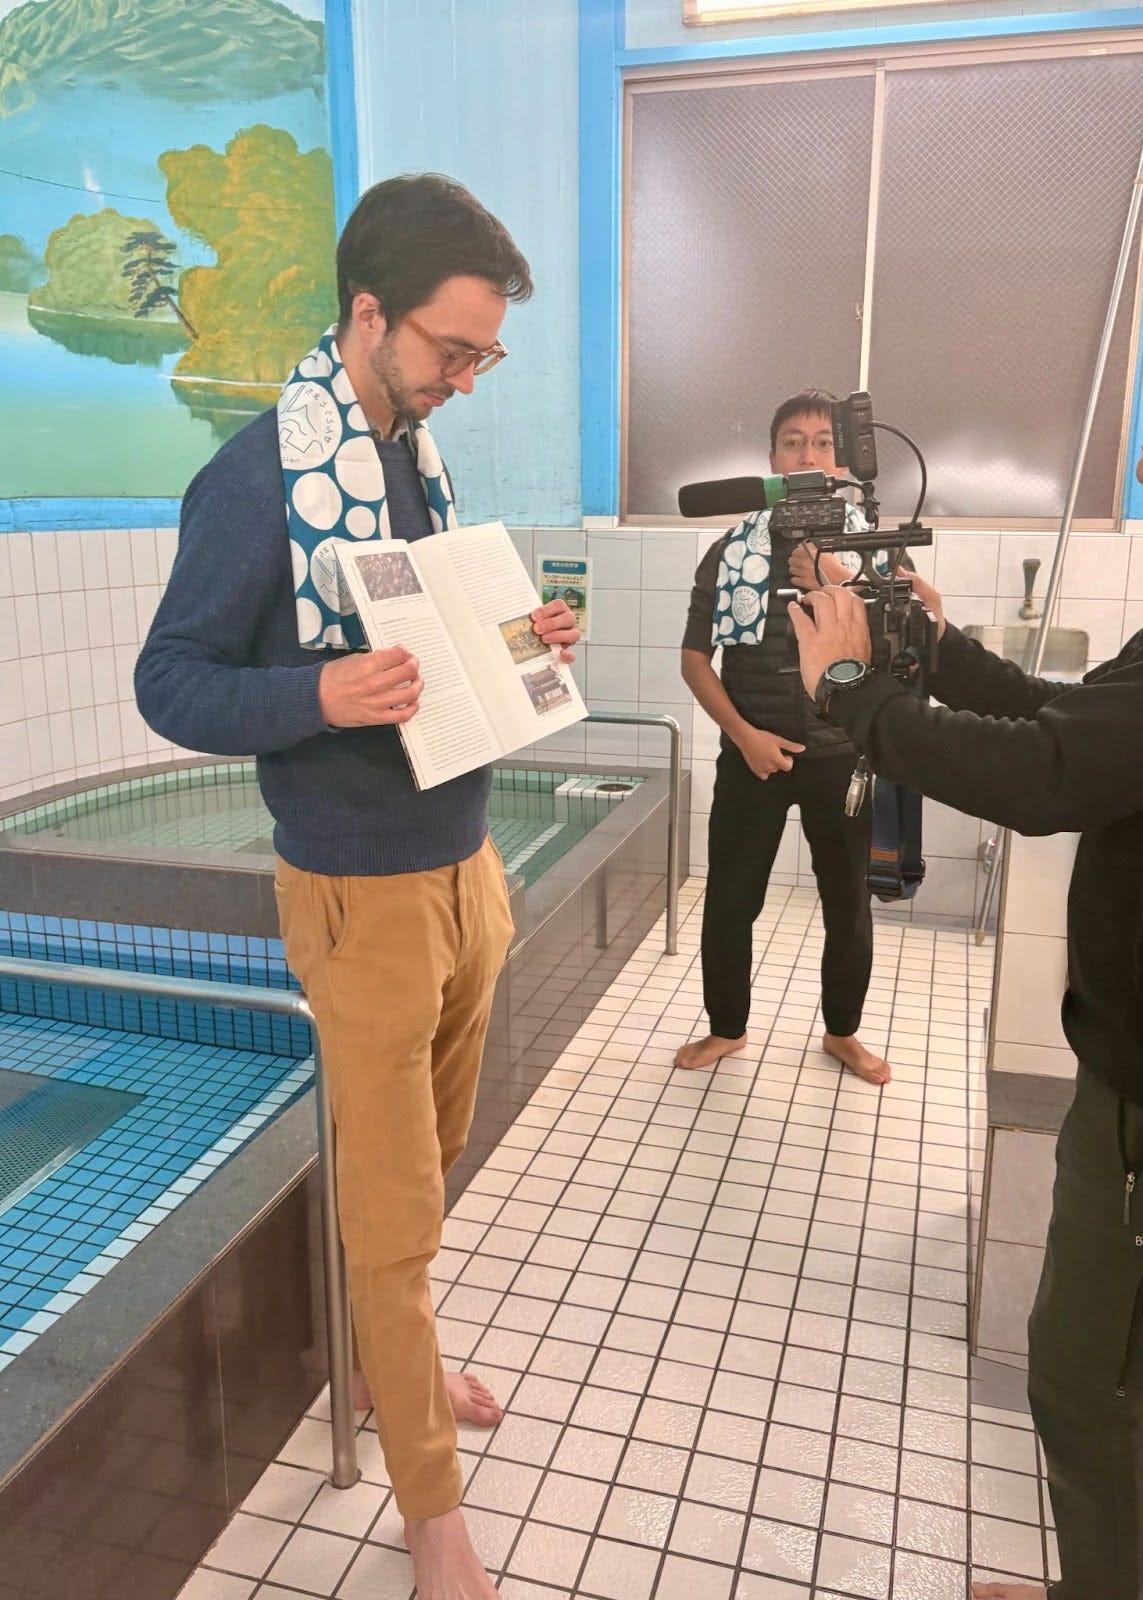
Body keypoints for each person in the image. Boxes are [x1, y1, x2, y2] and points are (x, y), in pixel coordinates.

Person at [135, 175, 580, 1600]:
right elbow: (170, 682)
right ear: (370, 313)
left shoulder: (410, 461)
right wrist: (317, 694)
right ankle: (430, 1512)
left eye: (485, 355)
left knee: (427, 1172)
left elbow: (427, 644)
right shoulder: (254, 479)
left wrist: (524, 637)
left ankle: (402, 1361)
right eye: (454, 349)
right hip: (360, 896)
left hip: (466, 867)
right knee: (390, 1215)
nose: (466, 378)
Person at [790, 327, 1143, 1600]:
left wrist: (854, 690)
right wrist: (935, 650)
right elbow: (1079, 721)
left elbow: (1048, 775)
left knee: (1095, 1383)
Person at [676, 390, 891, 1085]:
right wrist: (744, 736)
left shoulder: (871, 551)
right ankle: (727, 1028)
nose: (808, 454)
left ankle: (843, 1033)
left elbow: (897, 651)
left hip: (842, 757)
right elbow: (695, 660)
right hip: (753, 755)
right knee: (730, 899)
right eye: (794, 441)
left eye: (824, 443)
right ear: (772, 459)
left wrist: (836, 578)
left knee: (847, 904)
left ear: (842, 461)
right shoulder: (728, 551)